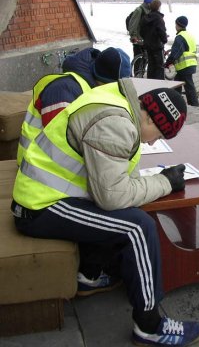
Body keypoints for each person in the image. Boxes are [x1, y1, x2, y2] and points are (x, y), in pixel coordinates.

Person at [11, 78, 199, 346]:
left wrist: (150, 184)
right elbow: (112, 197)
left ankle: (89, 275)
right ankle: (149, 326)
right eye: (159, 136)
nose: (152, 144)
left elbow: (114, 182)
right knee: (137, 227)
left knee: (128, 210)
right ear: (149, 120)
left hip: (49, 195)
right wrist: (164, 183)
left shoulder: (118, 101)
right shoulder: (116, 125)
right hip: (39, 206)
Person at [16, 46, 131, 296]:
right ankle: (89, 274)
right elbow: (66, 145)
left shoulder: (83, 86)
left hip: (48, 171)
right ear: (103, 81)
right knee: (107, 198)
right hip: (40, 176)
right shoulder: (65, 90)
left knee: (112, 187)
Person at [17, 46, 131, 166]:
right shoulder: (63, 90)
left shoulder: (91, 89)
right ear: (102, 81)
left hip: (54, 166)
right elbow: (59, 140)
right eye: (113, 89)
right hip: (36, 166)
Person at [164, 16, 199, 107]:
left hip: (185, 65)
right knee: (178, 85)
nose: (175, 26)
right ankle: (177, 104)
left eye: (176, 24)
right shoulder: (188, 35)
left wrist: (168, 62)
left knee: (188, 86)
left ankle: (194, 105)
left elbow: (177, 53)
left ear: (178, 25)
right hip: (190, 63)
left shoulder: (180, 37)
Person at [140, 0, 168, 80]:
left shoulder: (145, 17)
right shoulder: (159, 19)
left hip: (148, 45)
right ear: (158, 8)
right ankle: (159, 85)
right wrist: (164, 40)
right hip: (157, 46)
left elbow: (141, 31)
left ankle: (150, 83)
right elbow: (161, 31)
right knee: (159, 67)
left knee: (151, 66)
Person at [128, 0, 154, 72]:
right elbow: (133, 24)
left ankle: (141, 72)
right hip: (138, 39)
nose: (151, 3)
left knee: (145, 58)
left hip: (146, 38)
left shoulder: (150, 10)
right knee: (138, 59)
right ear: (147, 2)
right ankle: (137, 74)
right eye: (150, 2)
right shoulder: (139, 10)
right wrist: (133, 36)